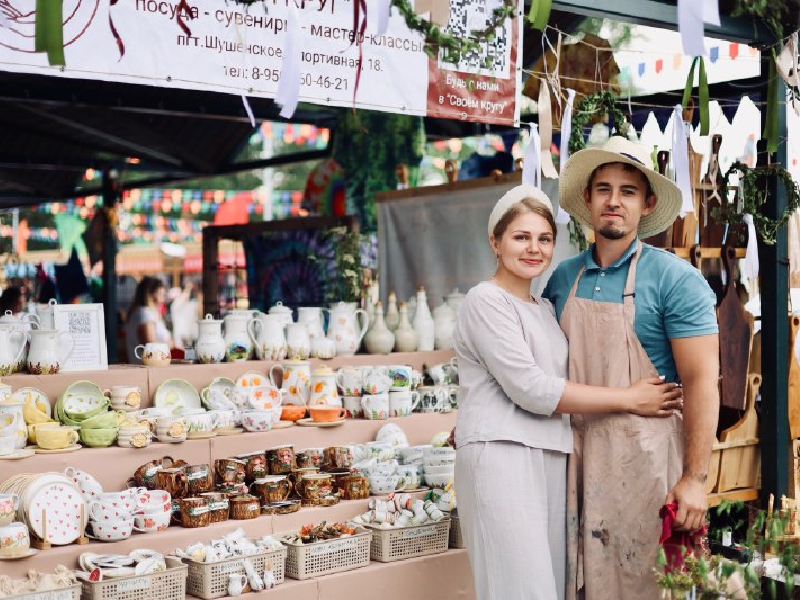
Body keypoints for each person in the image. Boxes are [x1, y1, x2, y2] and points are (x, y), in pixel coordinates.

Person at [452, 184, 683, 600]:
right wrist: (629, 398)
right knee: (521, 591)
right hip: (502, 456)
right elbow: (532, 389)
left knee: (552, 588)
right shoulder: (484, 300)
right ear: (495, 241)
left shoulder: (543, 307)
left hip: (551, 454)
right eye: (521, 237)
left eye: (544, 239)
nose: (534, 249)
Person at [543, 136, 720, 599]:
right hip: (574, 462)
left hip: (646, 467)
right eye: (603, 189)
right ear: (588, 199)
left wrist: (695, 480)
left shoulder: (674, 279)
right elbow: (538, 375)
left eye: (627, 191)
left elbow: (703, 383)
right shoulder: (563, 278)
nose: (614, 201)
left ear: (647, 203)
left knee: (648, 586)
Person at [125, 276, 172, 363]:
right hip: (151, 369)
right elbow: (150, 347)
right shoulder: (145, 314)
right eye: (161, 295)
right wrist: (169, 345)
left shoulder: (140, 313)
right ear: (151, 294)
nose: (162, 299)